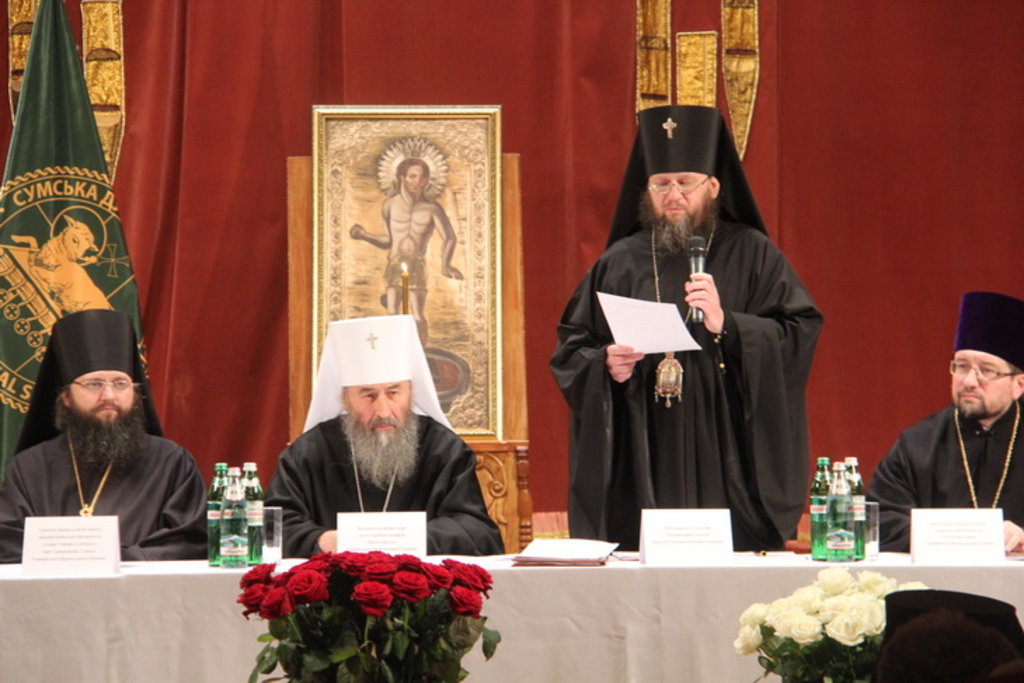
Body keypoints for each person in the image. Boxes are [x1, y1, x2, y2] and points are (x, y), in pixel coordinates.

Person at [550, 105, 822, 551]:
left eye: (684, 183)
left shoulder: (752, 252)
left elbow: (799, 330)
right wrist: (605, 364)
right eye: (661, 184)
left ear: (712, 187)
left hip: (727, 443)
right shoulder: (619, 261)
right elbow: (571, 347)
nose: (672, 194)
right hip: (645, 444)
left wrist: (729, 324)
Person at [265, 314, 502, 557]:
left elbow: (477, 532)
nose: (383, 411)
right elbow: (272, 526)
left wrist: (406, 540)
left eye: (393, 393)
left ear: (410, 392)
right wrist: (324, 540)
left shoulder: (443, 449)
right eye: (368, 395)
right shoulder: (310, 452)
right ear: (346, 398)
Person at [0, 309, 207, 562]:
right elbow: (7, 542)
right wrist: (83, 559)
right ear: (66, 397)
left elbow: (188, 541)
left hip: (142, 586)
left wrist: (114, 560)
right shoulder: (29, 467)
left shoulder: (172, 462)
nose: (109, 396)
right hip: (53, 587)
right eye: (94, 384)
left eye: (120, 383)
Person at [868, 291, 1024, 553]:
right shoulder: (917, 444)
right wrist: (963, 539)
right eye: (961, 366)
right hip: (938, 578)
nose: (969, 381)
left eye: (986, 370)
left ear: (1019, 385)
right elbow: (883, 520)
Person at [350, 155, 463, 344]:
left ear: (427, 180)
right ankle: (395, 354)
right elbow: (388, 240)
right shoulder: (390, 205)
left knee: (417, 315)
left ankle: (421, 354)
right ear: (402, 177)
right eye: (412, 176)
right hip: (395, 263)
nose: (417, 182)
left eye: (422, 177)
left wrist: (446, 264)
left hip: (416, 265)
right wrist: (365, 235)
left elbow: (450, 237)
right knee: (393, 314)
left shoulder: (432, 209)